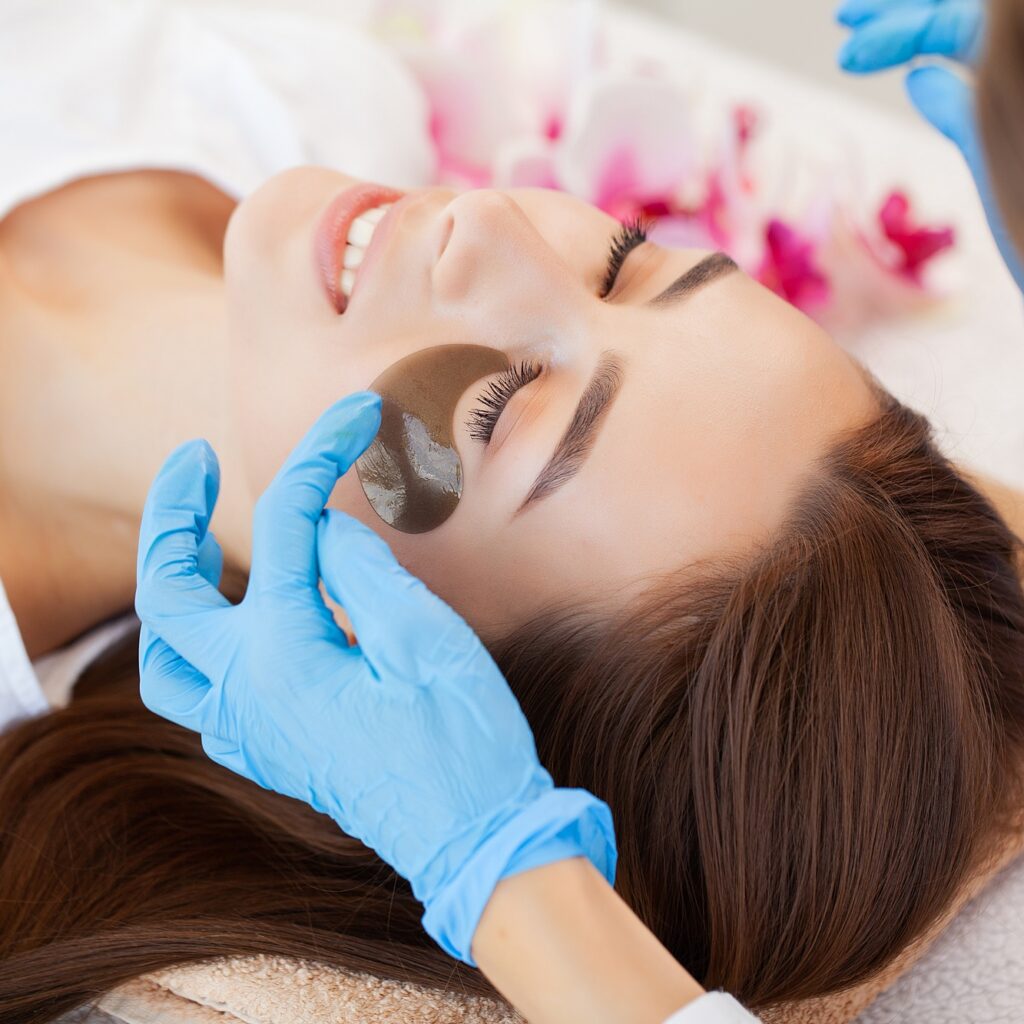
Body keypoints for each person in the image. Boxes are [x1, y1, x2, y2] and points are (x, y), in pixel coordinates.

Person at [3, 1, 1024, 1022]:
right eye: (623, 262)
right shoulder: (288, 84)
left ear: (373, 659)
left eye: (502, 406)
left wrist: (497, 863)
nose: (489, 221)